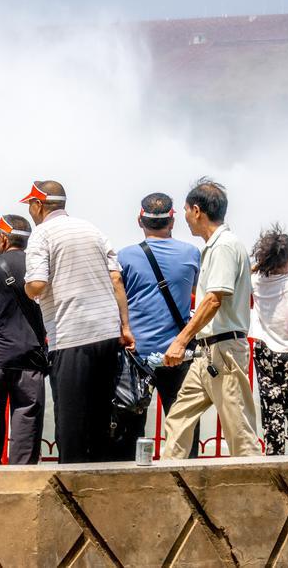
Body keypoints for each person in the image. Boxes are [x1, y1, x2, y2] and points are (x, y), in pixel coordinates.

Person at [21, 180, 135, 464]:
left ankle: (71, 489)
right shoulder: (93, 230)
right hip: (108, 334)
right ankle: (102, 487)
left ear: (38, 205)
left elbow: (36, 283)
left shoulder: (41, 234)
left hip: (71, 337)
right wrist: (125, 328)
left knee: (71, 423)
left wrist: (25, 290)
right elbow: (116, 279)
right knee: (100, 419)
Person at [163, 178, 260, 459]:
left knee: (239, 431)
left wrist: (181, 341)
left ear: (196, 210)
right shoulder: (217, 246)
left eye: (185, 211)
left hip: (223, 351)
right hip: (210, 352)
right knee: (178, 419)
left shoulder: (224, 246)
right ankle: (169, 481)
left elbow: (214, 299)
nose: (185, 218)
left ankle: (258, 498)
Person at [111, 193, 201, 460]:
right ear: (172, 221)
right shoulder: (192, 254)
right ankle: (186, 477)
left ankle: (129, 477)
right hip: (179, 352)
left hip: (136, 355)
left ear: (141, 220)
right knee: (183, 424)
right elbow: (199, 290)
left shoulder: (125, 257)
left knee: (129, 423)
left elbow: (116, 295)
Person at [0, 214, 47, 465]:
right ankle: (23, 473)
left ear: (3, 239)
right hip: (31, 354)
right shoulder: (39, 268)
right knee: (27, 414)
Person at [249, 226, 288, 455]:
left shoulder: (255, 281)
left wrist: (261, 265)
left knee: (271, 408)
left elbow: (250, 272)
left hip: (264, 351)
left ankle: (272, 455)